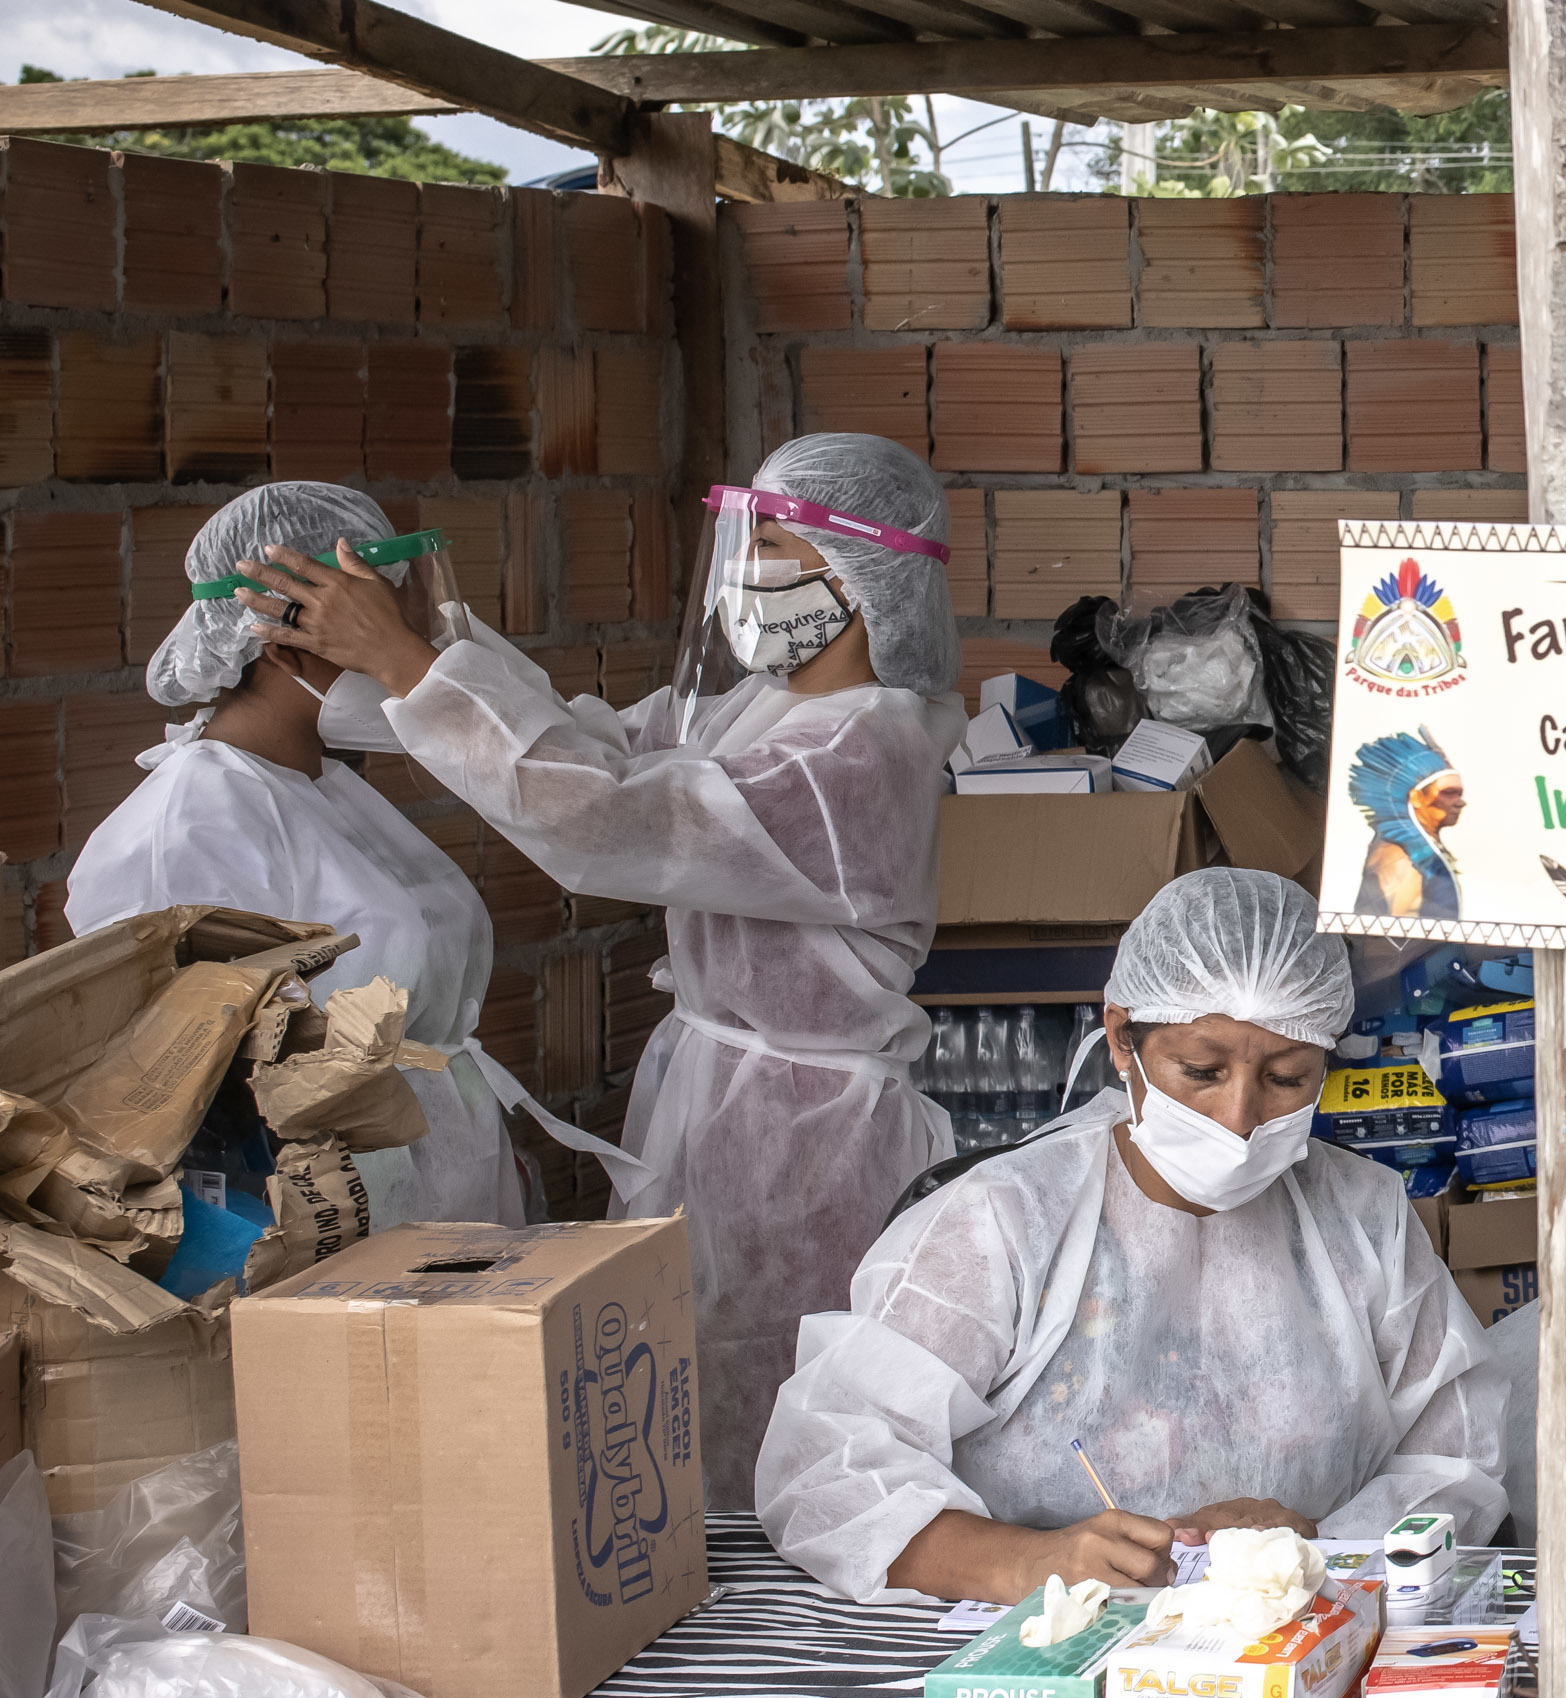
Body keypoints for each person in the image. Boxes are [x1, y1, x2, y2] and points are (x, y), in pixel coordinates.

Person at [250, 432, 961, 1508]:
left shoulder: (856, 751)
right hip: (729, 1107)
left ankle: (783, 1652)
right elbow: (590, 744)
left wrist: (405, 660)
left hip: (804, 1142)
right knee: (694, 1382)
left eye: (767, 543)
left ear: (854, 572)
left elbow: (603, 811)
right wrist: (412, 638)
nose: (741, 571)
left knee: (779, 1418)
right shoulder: (762, 708)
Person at [757, 870, 1506, 1605]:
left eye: (1286, 1079)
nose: (1239, 1118)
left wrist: (1310, 1555)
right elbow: (823, 1465)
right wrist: (1028, 1562)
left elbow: (1459, 1456)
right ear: (1122, 1038)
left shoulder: (1361, 1214)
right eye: (1201, 1071)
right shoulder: (1003, 1222)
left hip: (1301, 1626)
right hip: (1046, 1635)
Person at [76, 483, 525, 1229]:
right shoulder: (185, 826)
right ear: (285, 639)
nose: (404, 654)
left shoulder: (321, 785)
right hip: (328, 1227)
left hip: (438, 1185)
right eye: (374, 626)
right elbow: (170, 1103)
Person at [1348, 731, 1463, 921]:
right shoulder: (1399, 858)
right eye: (1449, 793)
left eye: (1460, 793)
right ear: (1417, 797)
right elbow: (1386, 943)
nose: (1460, 802)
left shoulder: (1416, 851)